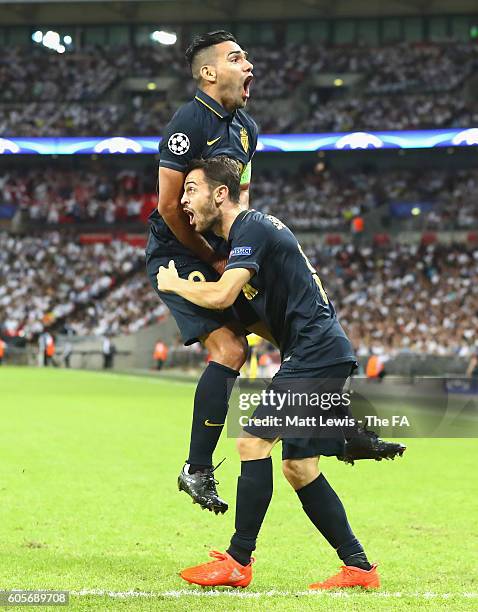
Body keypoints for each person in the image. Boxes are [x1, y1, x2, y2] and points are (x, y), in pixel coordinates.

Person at [157, 157, 406, 590]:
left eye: (191, 189)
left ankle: (237, 562)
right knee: (299, 467)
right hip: (318, 352)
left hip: (315, 353)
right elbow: (263, 320)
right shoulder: (249, 239)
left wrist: (173, 283)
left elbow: (221, 294)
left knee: (252, 442)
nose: (183, 200)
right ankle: (360, 568)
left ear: (221, 194)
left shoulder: (250, 228)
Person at [145, 30, 263, 514]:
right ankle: (197, 468)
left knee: (287, 325)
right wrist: (214, 259)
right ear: (210, 73)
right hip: (178, 252)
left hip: (221, 249)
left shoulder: (247, 129)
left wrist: (242, 250)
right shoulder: (188, 122)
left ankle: (338, 426)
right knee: (231, 348)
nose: (249, 65)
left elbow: (244, 198)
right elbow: (170, 208)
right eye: (238, 58)